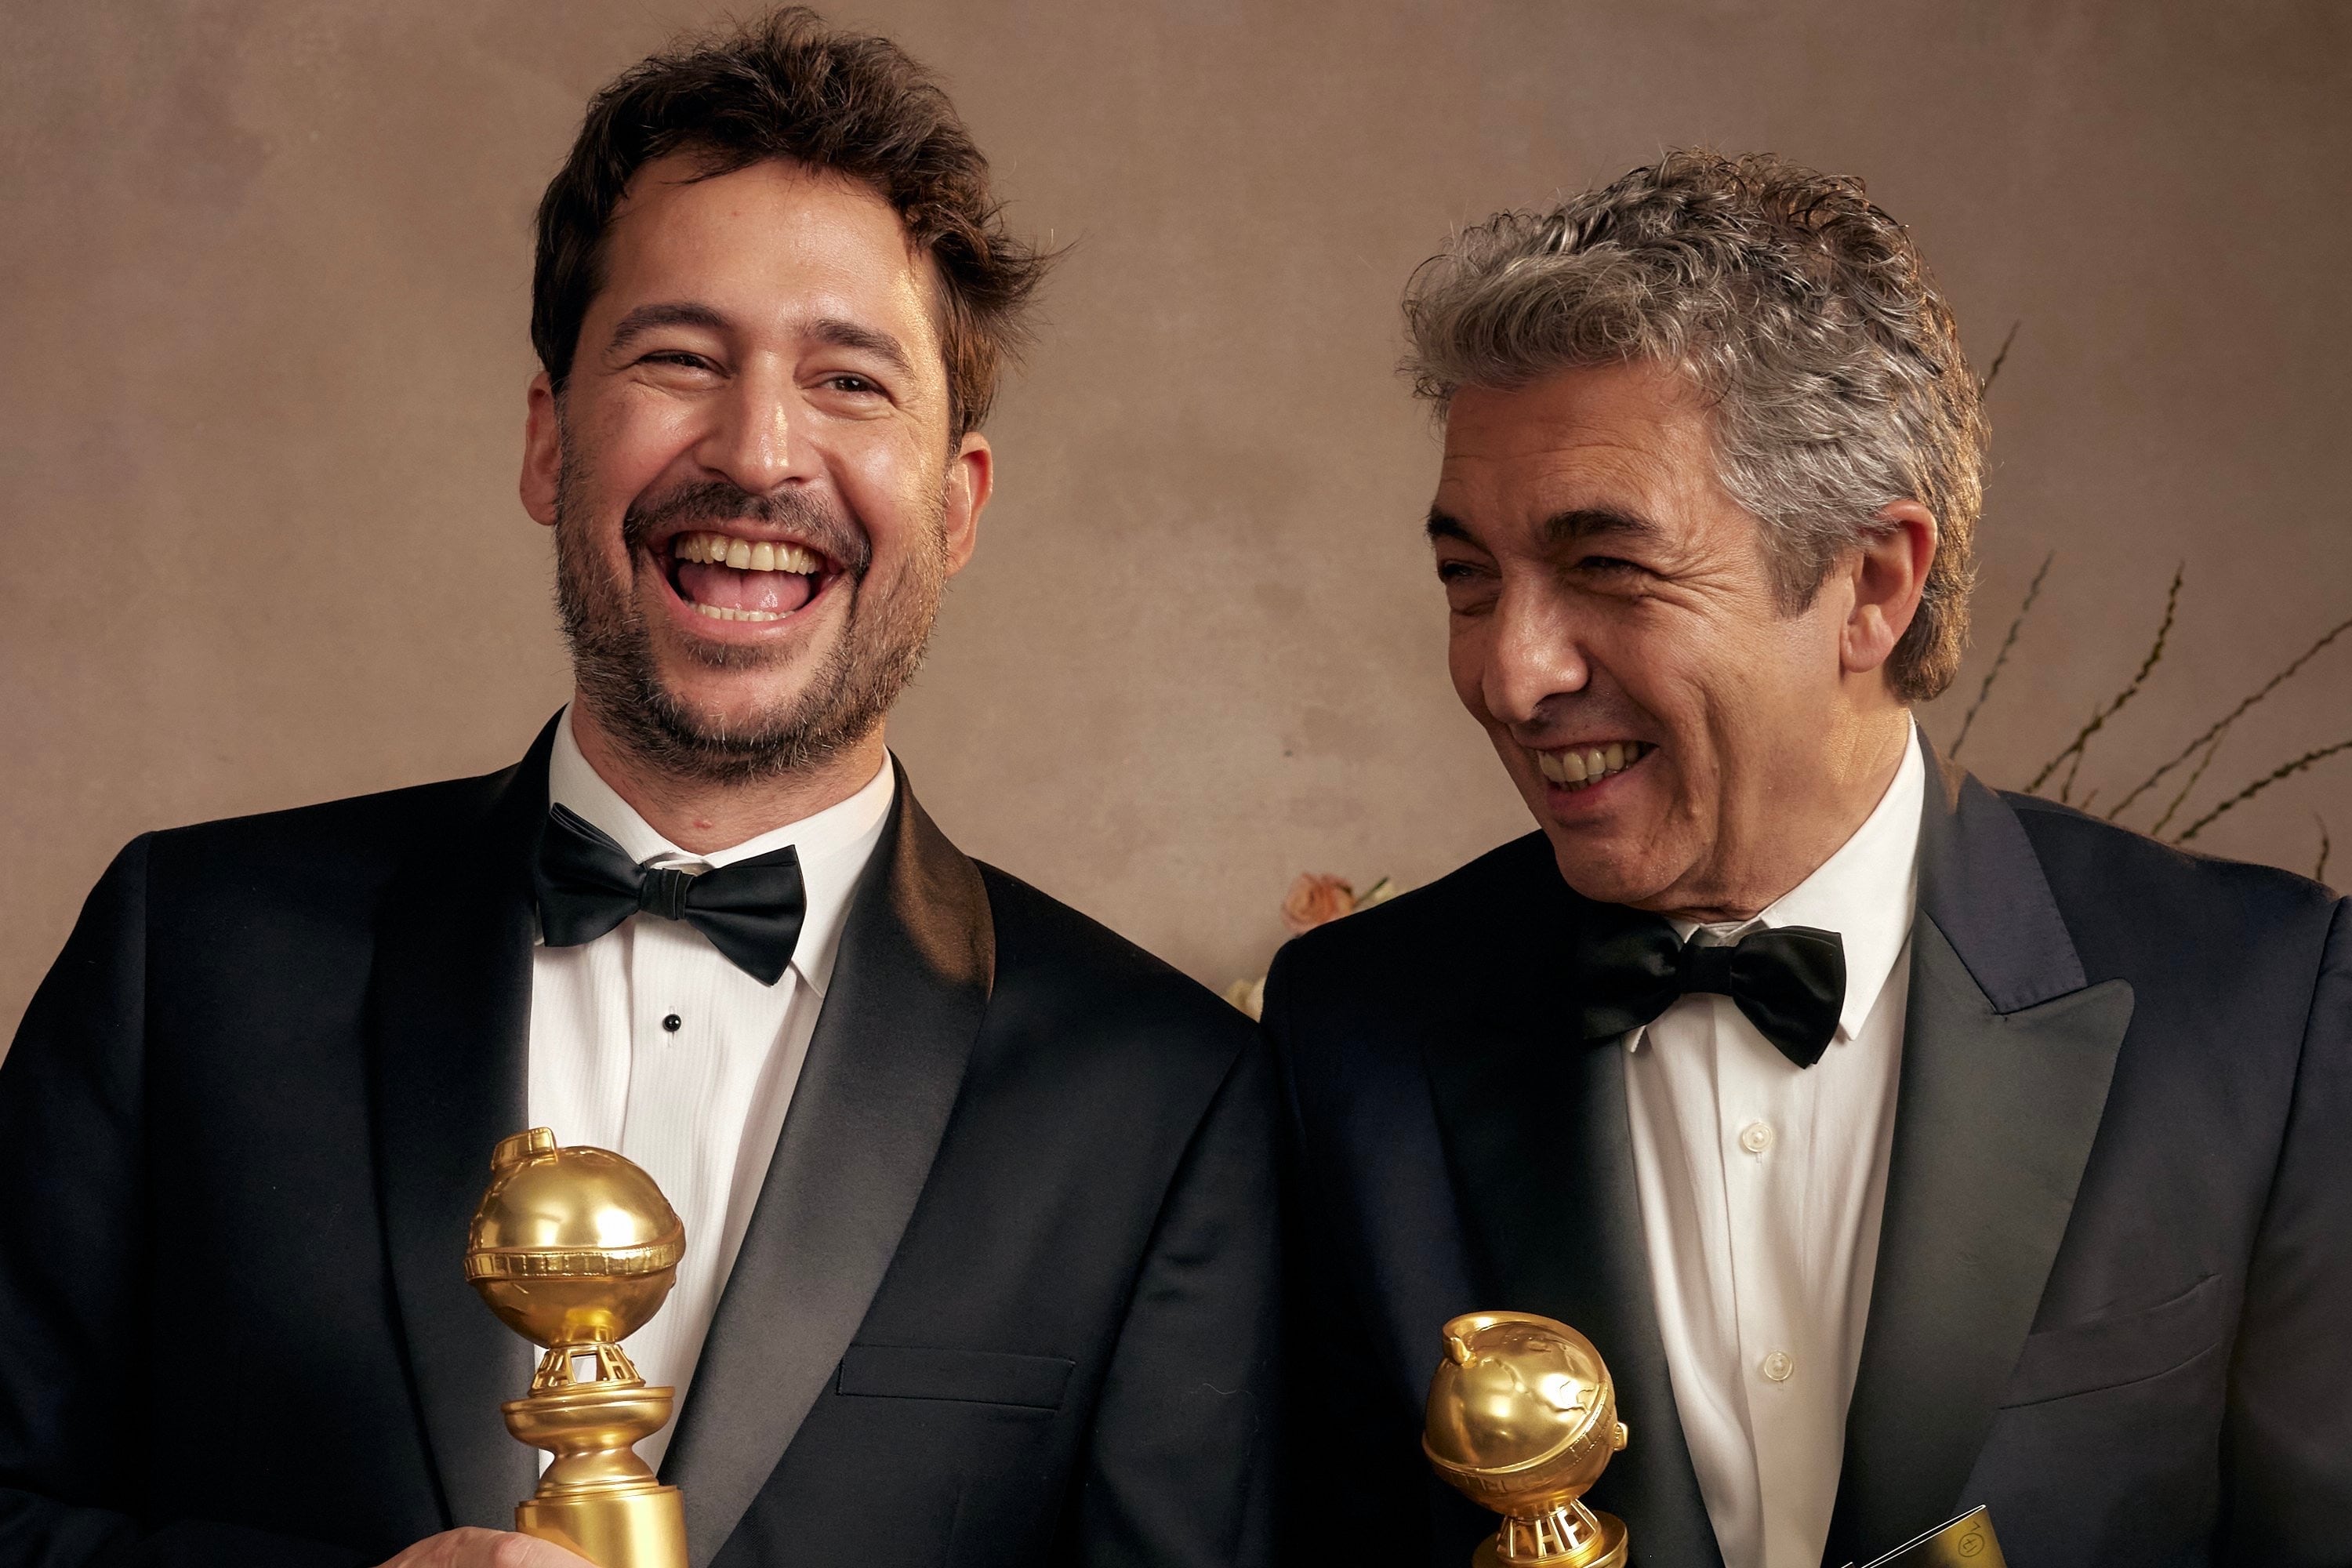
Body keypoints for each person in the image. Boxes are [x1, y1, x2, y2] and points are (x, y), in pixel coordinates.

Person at [0, 13, 1276, 1568]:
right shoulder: (182, 954)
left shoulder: (1165, 1100)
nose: (756, 452)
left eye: (850, 381)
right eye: (679, 357)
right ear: (548, 442)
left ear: (957, 506)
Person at [1266, 151, 2350, 1568]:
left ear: (1873, 586)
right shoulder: (1348, 1034)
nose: (1510, 672)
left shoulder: (2269, 1008)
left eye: (1607, 566)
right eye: (1470, 579)